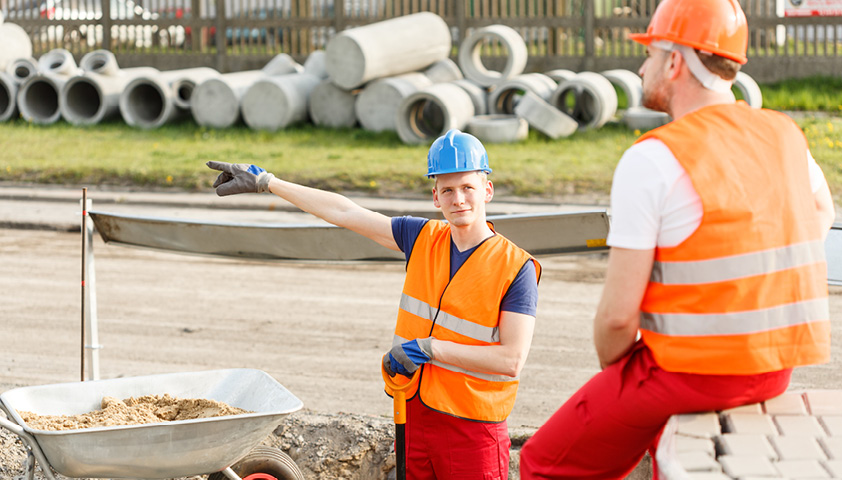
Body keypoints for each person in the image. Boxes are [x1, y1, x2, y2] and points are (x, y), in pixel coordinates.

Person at [519, 0, 836, 478]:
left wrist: (617, 375)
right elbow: (821, 212)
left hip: (687, 373)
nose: (641, 68)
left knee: (544, 463)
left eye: (649, 54)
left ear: (674, 62)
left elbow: (617, 319)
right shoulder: (784, 134)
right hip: (775, 368)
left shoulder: (653, 159)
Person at [207, 128, 541, 479]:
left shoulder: (515, 267)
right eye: (448, 190)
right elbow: (344, 211)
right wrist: (268, 182)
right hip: (414, 415)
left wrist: (430, 348)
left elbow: (511, 360)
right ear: (435, 197)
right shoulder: (422, 238)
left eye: (467, 187)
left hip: (473, 428)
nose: (458, 199)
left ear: (487, 189)